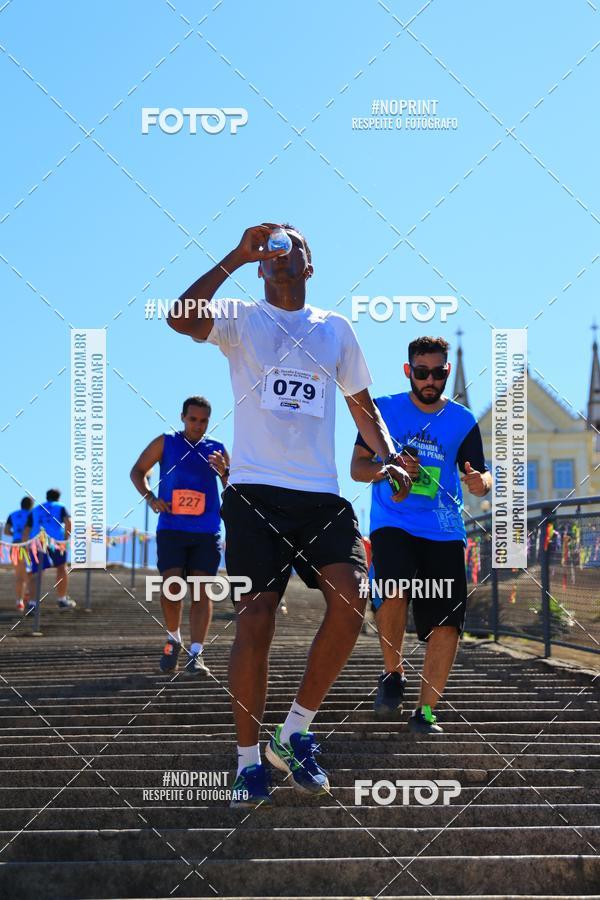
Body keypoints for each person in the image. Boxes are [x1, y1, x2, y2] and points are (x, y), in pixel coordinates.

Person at [169, 221, 411, 807]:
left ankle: (296, 729)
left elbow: (362, 405)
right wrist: (235, 252)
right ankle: (248, 761)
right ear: (260, 266)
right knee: (257, 623)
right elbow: (180, 316)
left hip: (320, 496)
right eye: (270, 249)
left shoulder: (335, 330)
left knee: (352, 600)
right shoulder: (241, 319)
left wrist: (389, 456)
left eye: (291, 246)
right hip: (254, 494)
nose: (279, 253)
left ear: (310, 265)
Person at [351, 336, 491, 735]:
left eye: (437, 373)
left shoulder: (463, 420)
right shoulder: (384, 410)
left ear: (447, 372)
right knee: (393, 589)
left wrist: (482, 481)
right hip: (394, 522)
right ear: (408, 371)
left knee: (447, 624)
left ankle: (425, 713)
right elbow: (357, 468)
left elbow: (479, 472)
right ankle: (392, 672)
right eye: (421, 372)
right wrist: (389, 470)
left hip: (445, 530)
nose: (429, 380)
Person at [130, 396, 229, 675]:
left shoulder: (217, 449)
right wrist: (150, 497)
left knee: (201, 591)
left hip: (207, 530)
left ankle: (196, 653)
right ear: (183, 417)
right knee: (171, 587)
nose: (198, 425)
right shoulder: (166, 442)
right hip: (172, 528)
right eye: (193, 419)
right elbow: (137, 471)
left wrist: (226, 472)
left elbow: (233, 487)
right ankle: (173, 637)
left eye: (204, 421)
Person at [22, 489, 74, 610]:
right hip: (55, 541)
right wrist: (66, 538)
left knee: (37, 571)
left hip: (36, 541)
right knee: (61, 568)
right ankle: (62, 599)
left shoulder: (35, 509)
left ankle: (33, 603)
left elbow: (26, 529)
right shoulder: (60, 507)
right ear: (58, 497)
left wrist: (26, 545)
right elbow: (68, 522)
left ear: (46, 497)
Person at [4, 496, 33, 612]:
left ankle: (19, 601)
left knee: (19, 575)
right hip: (27, 545)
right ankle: (28, 595)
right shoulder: (32, 515)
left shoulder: (12, 514)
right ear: (31, 506)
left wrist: (16, 534)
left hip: (15, 545)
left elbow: (6, 531)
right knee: (30, 573)